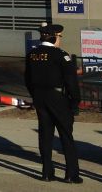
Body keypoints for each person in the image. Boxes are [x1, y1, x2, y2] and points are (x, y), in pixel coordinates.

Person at [25, 23, 82, 183]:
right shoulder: (61, 55)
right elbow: (71, 82)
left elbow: (27, 79)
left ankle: (47, 172)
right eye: (60, 36)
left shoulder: (32, 54)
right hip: (58, 98)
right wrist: (75, 102)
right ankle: (71, 174)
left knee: (45, 135)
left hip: (40, 98)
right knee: (66, 135)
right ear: (54, 36)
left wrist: (35, 96)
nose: (60, 40)